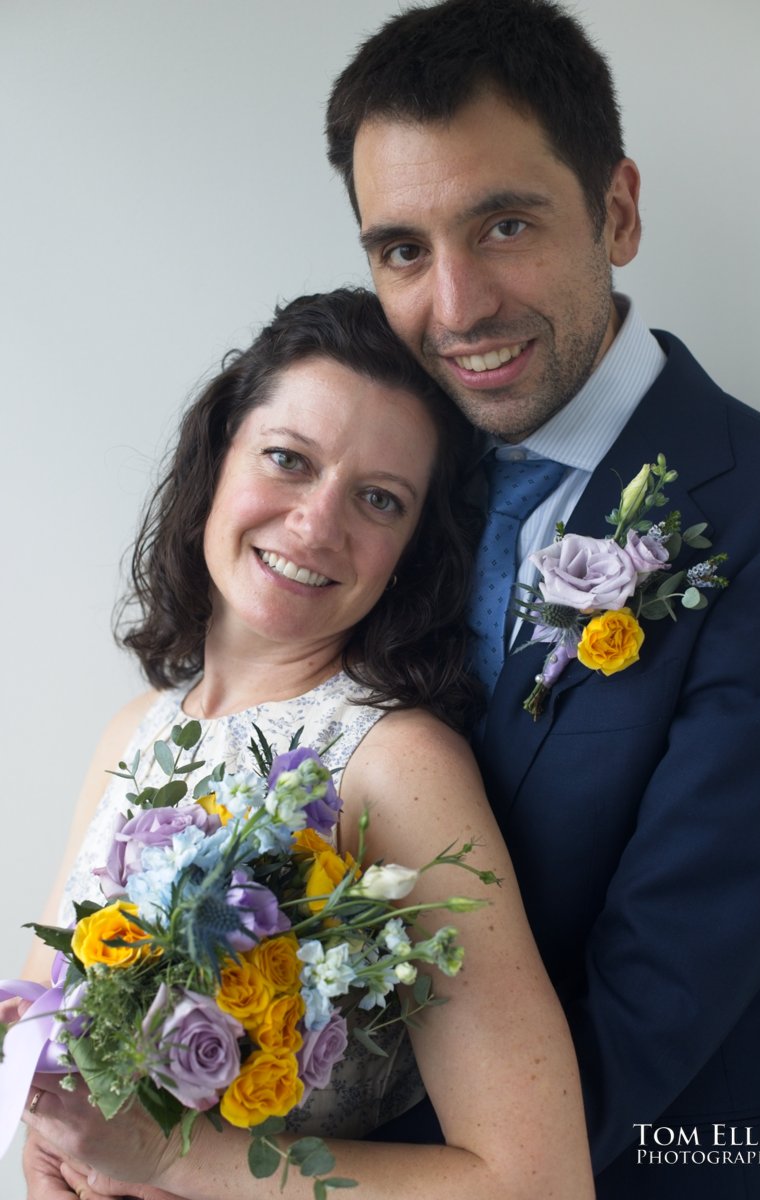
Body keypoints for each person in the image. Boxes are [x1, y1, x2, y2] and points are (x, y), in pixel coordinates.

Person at [324, 1, 760, 1197]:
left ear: (616, 211)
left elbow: (662, 988)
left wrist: (281, 1172)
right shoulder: (380, 487)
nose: (455, 308)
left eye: (503, 225)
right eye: (402, 250)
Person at [14, 287, 594, 1200]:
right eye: (288, 459)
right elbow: (44, 1035)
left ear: (412, 549)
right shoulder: (136, 729)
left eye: (379, 499)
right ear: (217, 457)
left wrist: (166, 1159)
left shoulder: (395, 765)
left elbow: (539, 1182)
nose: (318, 525)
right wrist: (48, 1144)